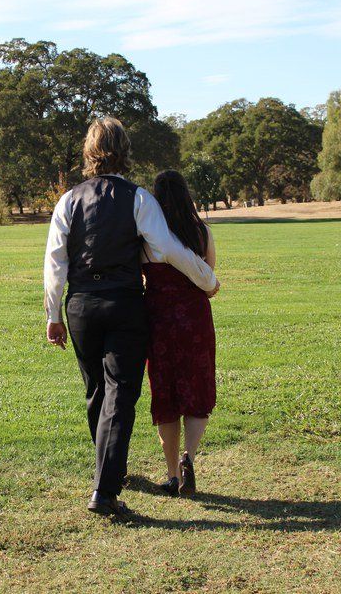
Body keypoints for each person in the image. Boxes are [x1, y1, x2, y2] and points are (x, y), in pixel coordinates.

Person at [43, 117, 219, 516]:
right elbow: (169, 249)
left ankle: (111, 473)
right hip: (124, 302)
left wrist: (53, 314)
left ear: (88, 153)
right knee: (121, 393)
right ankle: (105, 490)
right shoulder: (139, 199)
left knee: (96, 392)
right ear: (124, 150)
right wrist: (207, 278)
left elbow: (55, 261)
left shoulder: (68, 200)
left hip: (81, 304)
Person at [142, 171, 217, 496]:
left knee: (166, 394)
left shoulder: (147, 236)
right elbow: (210, 275)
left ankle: (172, 474)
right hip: (195, 318)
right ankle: (190, 457)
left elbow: (140, 278)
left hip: (158, 318)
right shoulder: (201, 232)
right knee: (196, 391)